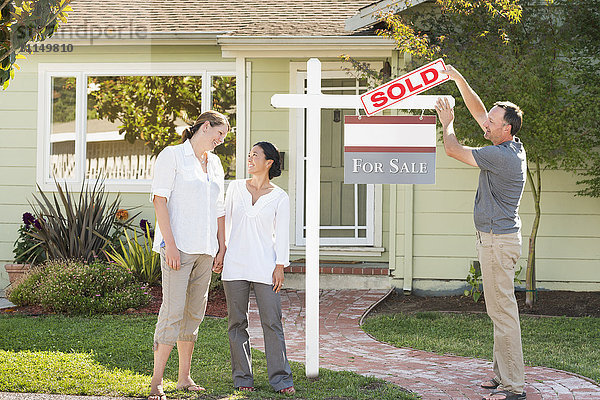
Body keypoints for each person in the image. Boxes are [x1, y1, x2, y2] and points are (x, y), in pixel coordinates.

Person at [435, 66, 527, 400]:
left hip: (497, 242)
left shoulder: (501, 157)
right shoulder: (507, 145)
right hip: (495, 239)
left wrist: (448, 124)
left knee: (503, 313)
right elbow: (477, 110)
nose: (485, 121)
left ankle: (514, 386)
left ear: (507, 128)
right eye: (486, 117)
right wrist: (457, 78)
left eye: (491, 119)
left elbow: (452, 149)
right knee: (499, 310)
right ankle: (502, 376)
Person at [148, 110, 229, 400]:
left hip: (206, 250)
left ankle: (184, 378)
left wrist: (222, 246)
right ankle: (157, 380)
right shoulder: (172, 156)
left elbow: (219, 208)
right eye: (219, 133)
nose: (221, 140)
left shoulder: (216, 163)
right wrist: (169, 244)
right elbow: (160, 201)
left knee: (194, 314)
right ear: (205, 127)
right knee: (172, 311)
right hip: (178, 248)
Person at [212, 141, 295, 395]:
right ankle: (242, 378)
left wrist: (280, 266)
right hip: (235, 265)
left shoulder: (280, 197)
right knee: (236, 323)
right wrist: (221, 250)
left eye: (255, 155)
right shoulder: (235, 188)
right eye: (249, 155)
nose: (250, 158)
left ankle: (281, 379)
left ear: (269, 162)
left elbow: (281, 235)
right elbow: (223, 221)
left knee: (272, 322)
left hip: (265, 267)